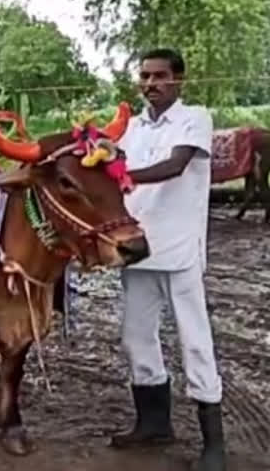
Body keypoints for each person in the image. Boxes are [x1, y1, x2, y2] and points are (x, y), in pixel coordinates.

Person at [111, 48, 225, 471]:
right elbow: (108, 158)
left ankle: (214, 444)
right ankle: (153, 423)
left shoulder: (194, 118)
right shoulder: (132, 128)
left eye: (160, 76)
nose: (150, 83)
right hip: (137, 249)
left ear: (179, 80)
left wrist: (124, 176)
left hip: (179, 251)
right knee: (135, 338)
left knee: (195, 343)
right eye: (144, 76)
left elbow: (176, 166)